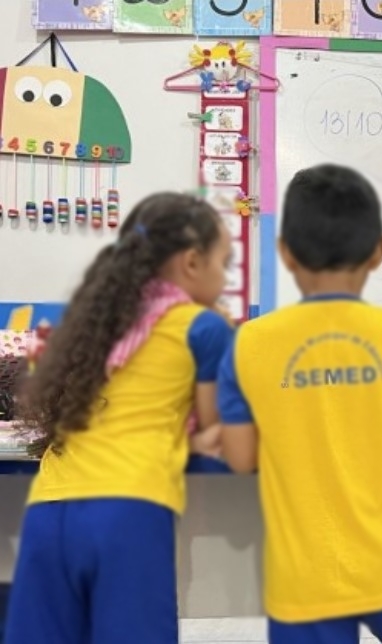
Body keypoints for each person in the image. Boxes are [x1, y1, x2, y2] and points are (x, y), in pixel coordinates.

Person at [217, 164, 382, 644]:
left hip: (302, 576)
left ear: (286, 251)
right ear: (378, 250)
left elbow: (241, 457)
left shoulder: (248, 343)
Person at [5, 193, 234, 644]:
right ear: (192, 263)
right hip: (128, 510)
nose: (225, 278)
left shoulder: (94, 322)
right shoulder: (203, 327)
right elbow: (214, 429)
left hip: (48, 510)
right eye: (223, 262)